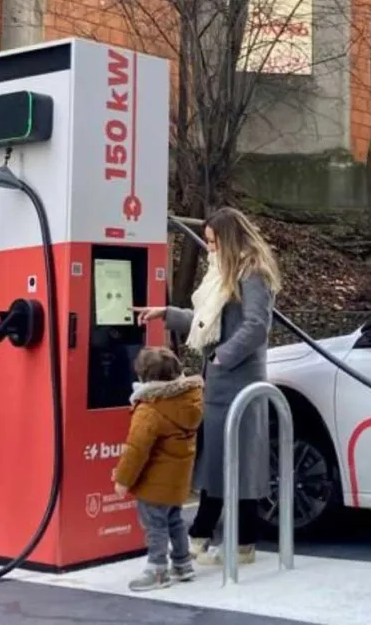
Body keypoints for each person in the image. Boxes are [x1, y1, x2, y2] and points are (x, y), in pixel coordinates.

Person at [133, 206, 280, 566]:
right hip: (223, 379)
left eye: (213, 242)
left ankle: (215, 538)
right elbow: (205, 321)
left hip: (240, 380)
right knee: (220, 460)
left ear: (228, 240)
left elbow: (257, 326)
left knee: (235, 461)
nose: (209, 248)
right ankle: (224, 539)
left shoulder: (252, 273)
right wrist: (165, 312)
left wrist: (221, 358)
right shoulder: (224, 273)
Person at [112, 346, 204, 590]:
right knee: (175, 520)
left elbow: (136, 450)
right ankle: (183, 564)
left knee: (155, 526)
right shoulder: (188, 401)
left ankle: (157, 570)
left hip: (154, 483)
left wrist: (123, 480)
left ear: (144, 377)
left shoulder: (150, 409)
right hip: (177, 481)